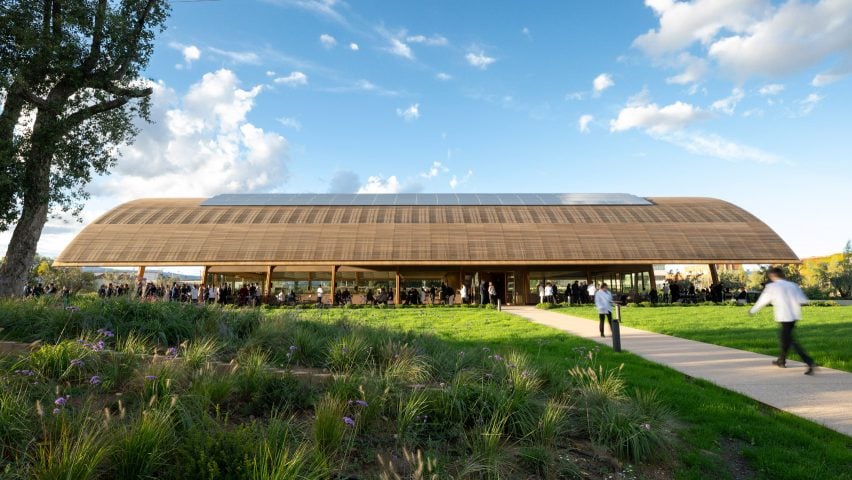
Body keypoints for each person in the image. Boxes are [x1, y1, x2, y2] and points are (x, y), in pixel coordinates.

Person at [749, 267, 815, 375]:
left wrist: (753, 310)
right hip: (794, 316)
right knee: (785, 338)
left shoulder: (772, 287)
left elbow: (763, 300)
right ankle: (781, 361)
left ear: (772, 276)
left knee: (789, 340)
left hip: (784, 316)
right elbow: (803, 300)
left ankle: (809, 361)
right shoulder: (793, 285)